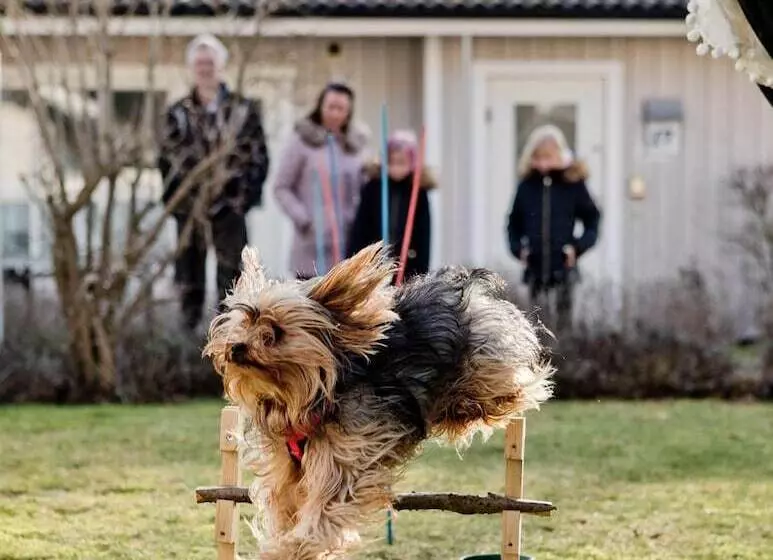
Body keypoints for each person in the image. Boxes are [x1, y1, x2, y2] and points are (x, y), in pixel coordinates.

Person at [158, 34, 269, 330]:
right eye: (199, 63)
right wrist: (179, 203)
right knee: (188, 280)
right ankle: (186, 348)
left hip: (230, 209)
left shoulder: (242, 110)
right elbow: (165, 162)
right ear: (191, 68)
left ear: (220, 67)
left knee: (233, 283)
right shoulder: (177, 113)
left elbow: (258, 158)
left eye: (210, 62)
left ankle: (229, 341)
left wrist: (240, 201)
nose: (205, 68)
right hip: (190, 210)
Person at [507, 125, 601, 331]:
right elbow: (513, 223)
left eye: (547, 158)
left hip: (564, 268)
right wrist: (518, 250)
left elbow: (593, 219)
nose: (543, 164)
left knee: (563, 328)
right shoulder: (526, 186)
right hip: (534, 268)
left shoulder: (573, 184)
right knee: (535, 326)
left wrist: (577, 248)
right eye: (538, 158)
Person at [274, 82, 368, 280]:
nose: (335, 114)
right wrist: (303, 218)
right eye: (330, 107)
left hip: (347, 244)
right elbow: (281, 187)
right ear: (320, 106)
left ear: (349, 112)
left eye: (341, 108)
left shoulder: (355, 146)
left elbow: (364, 186)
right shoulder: (302, 141)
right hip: (311, 244)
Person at [347, 129, 434, 279]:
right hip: (374, 264)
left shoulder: (418, 192)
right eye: (392, 162)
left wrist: (421, 273)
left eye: (402, 162)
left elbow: (423, 234)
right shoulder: (373, 187)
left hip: (407, 265)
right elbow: (360, 228)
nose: (396, 168)